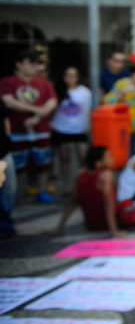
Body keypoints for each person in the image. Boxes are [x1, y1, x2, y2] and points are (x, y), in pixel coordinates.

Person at [0, 50, 57, 204]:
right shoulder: (8, 82)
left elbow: (52, 101)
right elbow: (9, 101)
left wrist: (38, 116)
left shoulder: (43, 82)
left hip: (40, 130)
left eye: (36, 62)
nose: (34, 66)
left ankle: (42, 190)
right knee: (16, 164)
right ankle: (13, 195)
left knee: (43, 161)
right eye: (30, 62)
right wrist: (37, 110)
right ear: (18, 64)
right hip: (17, 130)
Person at [50, 146, 127, 238]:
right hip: (106, 223)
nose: (112, 159)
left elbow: (73, 202)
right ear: (98, 163)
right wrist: (114, 231)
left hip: (91, 224)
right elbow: (108, 203)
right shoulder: (106, 175)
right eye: (108, 157)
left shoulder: (80, 174)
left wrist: (60, 226)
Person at [51, 66, 92, 195]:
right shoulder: (57, 90)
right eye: (68, 75)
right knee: (64, 157)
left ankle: (83, 183)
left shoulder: (84, 91)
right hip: (61, 128)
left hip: (80, 128)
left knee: (83, 156)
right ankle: (67, 186)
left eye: (74, 75)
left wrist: (88, 125)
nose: (71, 78)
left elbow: (88, 109)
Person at [105, 64, 135, 154]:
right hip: (121, 126)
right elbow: (107, 101)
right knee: (122, 152)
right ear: (133, 74)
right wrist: (121, 95)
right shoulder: (121, 84)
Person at [0, 99, 15, 238]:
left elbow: (5, 119)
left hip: (4, 152)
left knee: (9, 191)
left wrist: (8, 138)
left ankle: (7, 224)